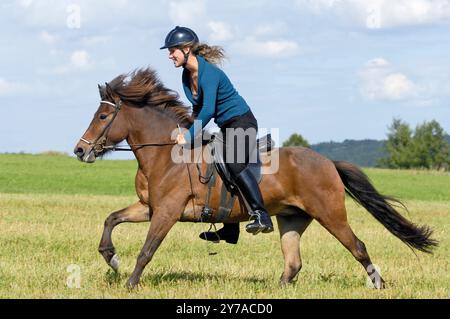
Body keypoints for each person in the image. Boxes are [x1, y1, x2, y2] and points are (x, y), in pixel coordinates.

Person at [161, 26, 273, 242]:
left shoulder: (209, 74)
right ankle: (230, 229)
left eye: (172, 50)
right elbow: (197, 109)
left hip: (242, 122)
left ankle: (262, 215)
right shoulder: (186, 76)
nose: (169, 55)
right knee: (212, 161)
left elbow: (208, 110)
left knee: (234, 162)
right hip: (225, 126)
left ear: (186, 49)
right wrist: (186, 132)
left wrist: (191, 135)